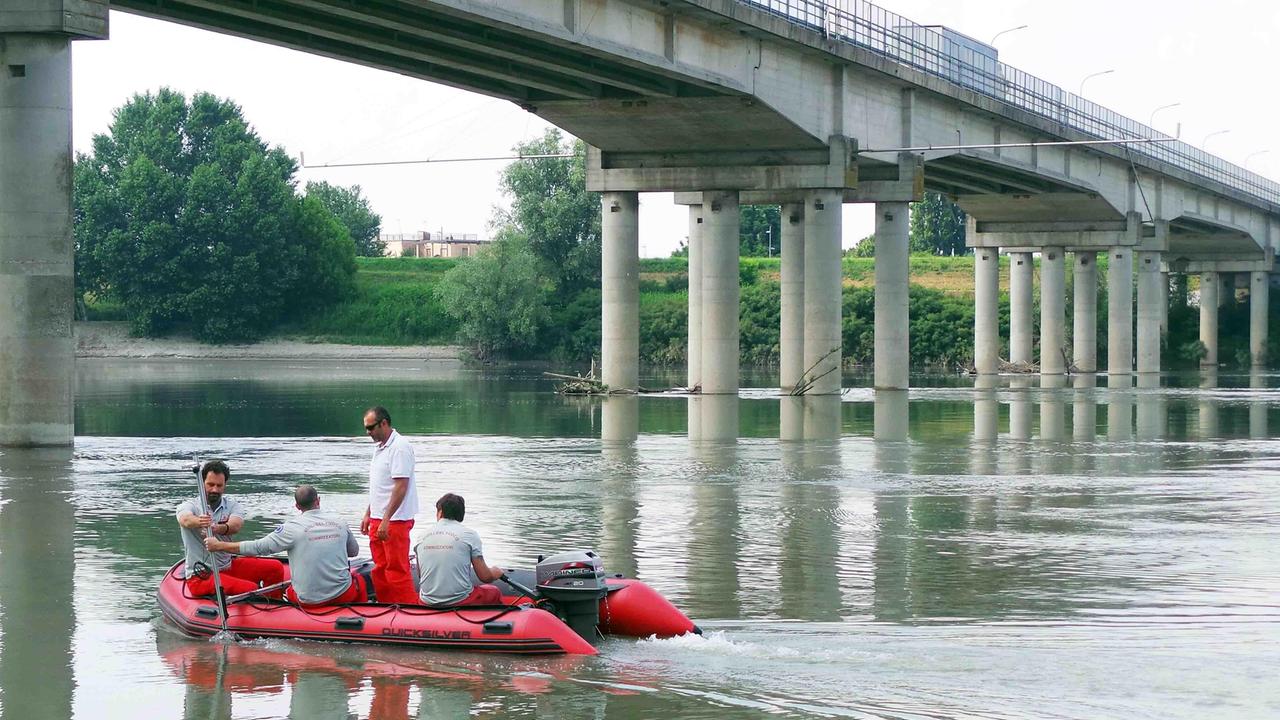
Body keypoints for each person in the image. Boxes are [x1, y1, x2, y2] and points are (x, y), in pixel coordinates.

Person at [204, 484, 367, 607]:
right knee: (359, 579)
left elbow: (258, 547)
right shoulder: (340, 522)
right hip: (343, 595)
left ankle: (279, 611)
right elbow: (353, 552)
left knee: (289, 591)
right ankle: (365, 615)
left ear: (297, 506)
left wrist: (220, 545)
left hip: (308, 601)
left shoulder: (290, 528)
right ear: (318, 500)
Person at [176, 460, 284, 598]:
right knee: (251, 588)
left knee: (275, 568)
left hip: (227, 566)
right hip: (201, 574)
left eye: (219, 485)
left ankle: (275, 605)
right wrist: (201, 521)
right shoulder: (190, 505)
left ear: (225, 485)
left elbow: (235, 525)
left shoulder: (233, 506)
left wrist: (217, 528)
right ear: (202, 483)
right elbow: (185, 520)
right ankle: (260, 607)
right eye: (210, 484)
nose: (214, 489)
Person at [361, 405, 420, 604]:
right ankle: (385, 609)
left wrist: (386, 519)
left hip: (395, 519)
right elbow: (380, 486)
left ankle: (409, 611)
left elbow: (400, 486)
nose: (368, 432)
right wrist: (368, 513)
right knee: (379, 568)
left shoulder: (399, 447)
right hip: (378, 518)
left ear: (384, 423)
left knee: (396, 569)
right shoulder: (380, 448)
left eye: (371, 428)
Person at [414, 493, 505, 607]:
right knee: (494, 592)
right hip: (460, 601)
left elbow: (420, 574)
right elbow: (485, 577)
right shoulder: (469, 535)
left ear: (440, 512)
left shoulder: (421, 536)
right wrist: (495, 572)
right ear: (461, 514)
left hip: (426, 601)